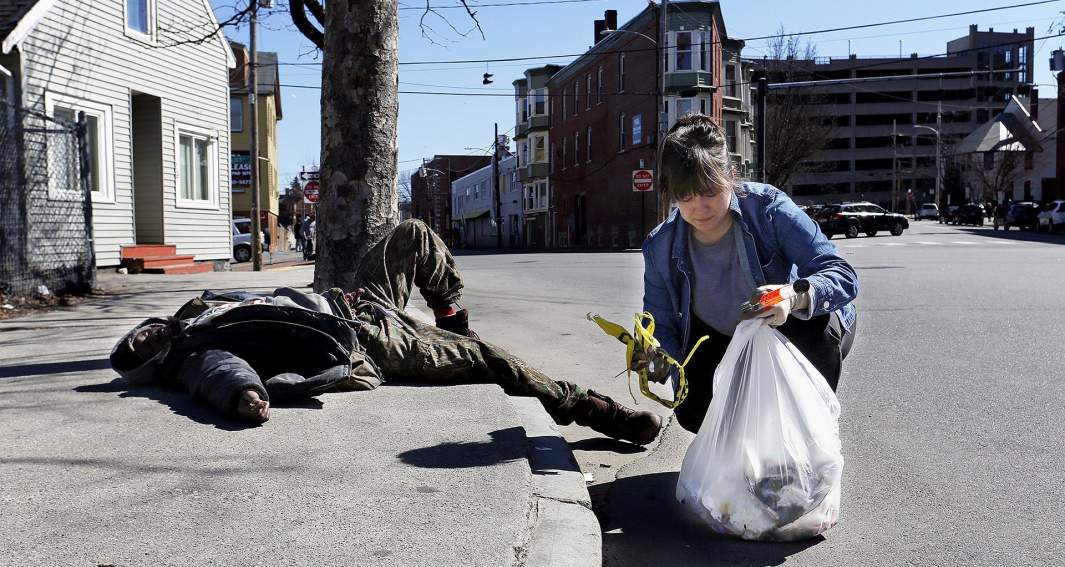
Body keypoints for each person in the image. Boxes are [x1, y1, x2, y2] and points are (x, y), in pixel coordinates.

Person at [110, 220, 662, 446]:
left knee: (412, 234)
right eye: (141, 348)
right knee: (486, 359)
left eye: (138, 333)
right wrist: (243, 396)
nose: (145, 335)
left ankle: (451, 321)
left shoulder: (201, 309)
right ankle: (591, 408)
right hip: (361, 340)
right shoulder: (193, 353)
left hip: (351, 302)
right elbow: (219, 374)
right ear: (154, 360)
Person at [638, 114, 859, 433]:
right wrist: (657, 359)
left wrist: (792, 297)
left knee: (815, 329)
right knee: (693, 409)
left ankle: (802, 433)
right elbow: (659, 324)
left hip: (792, 330)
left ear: (730, 175)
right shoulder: (660, 246)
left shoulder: (768, 208)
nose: (699, 207)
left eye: (709, 190)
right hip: (725, 340)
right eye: (685, 195)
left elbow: (841, 273)